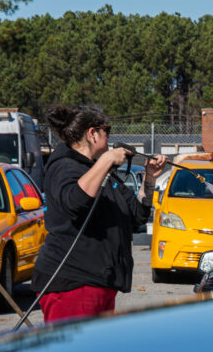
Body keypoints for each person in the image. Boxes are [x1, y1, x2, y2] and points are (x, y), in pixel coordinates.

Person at [30, 104, 167, 323]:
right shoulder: (63, 166)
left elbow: (137, 214)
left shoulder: (99, 172)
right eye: (107, 130)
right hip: (72, 283)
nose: (110, 137)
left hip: (99, 282)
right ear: (92, 133)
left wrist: (149, 178)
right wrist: (106, 160)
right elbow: (75, 201)